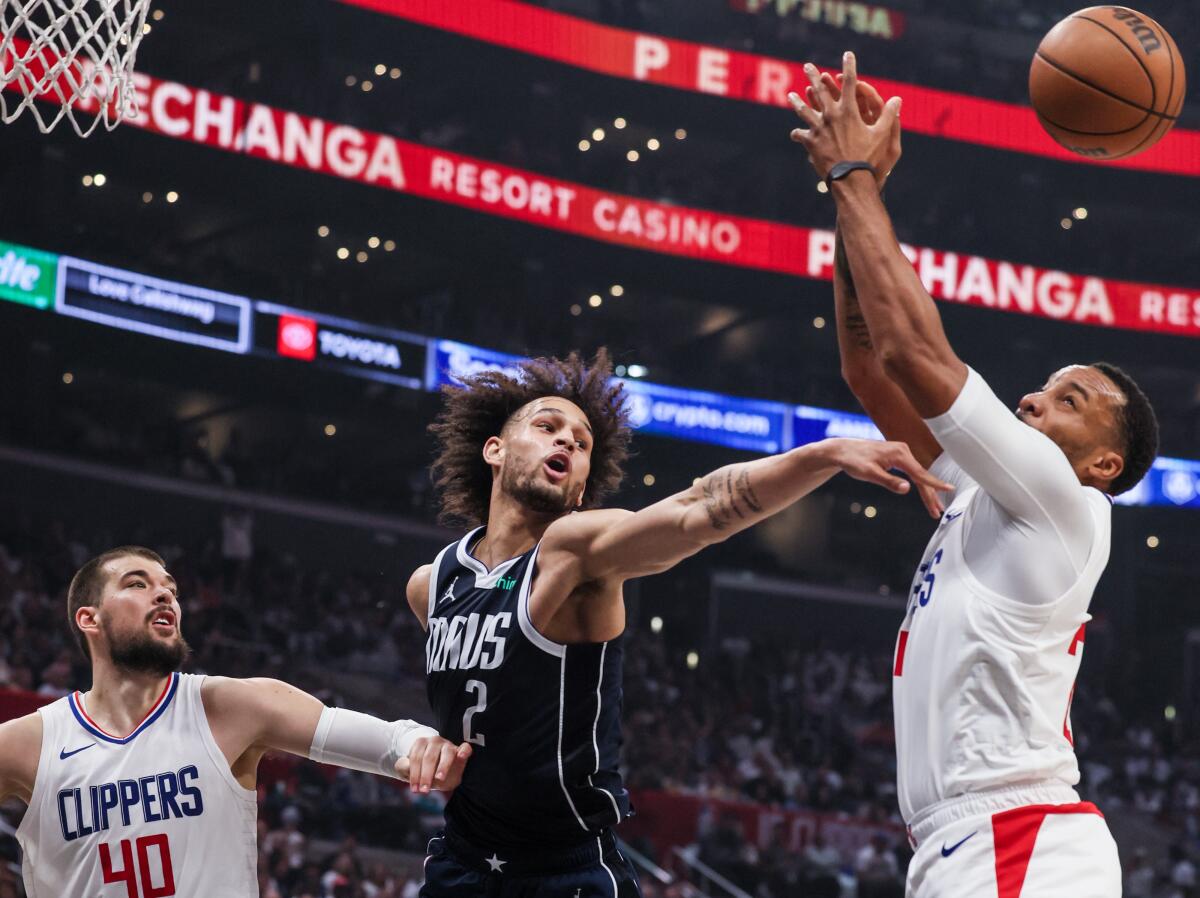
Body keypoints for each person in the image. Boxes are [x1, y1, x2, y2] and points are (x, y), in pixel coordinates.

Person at [788, 52, 1159, 898]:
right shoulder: (990, 493)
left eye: (1070, 399)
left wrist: (854, 175)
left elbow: (915, 354)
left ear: (1104, 461)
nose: (1036, 396)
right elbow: (870, 368)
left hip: (1017, 841)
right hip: (969, 844)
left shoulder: (1067, 502)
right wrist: (855, 200)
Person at [407, 350, 949, 896]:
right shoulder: (430, 585)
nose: (568, 441)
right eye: (548, 427)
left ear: (581, 490)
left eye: (582, 442)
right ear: (494, 450)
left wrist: (823, 455)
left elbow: (698, 509)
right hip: (461, 861)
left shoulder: (576, 553)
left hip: (562, 871)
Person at [0, 546, 472, 896]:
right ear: (89, 618)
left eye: (170, 587)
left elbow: (393, 741)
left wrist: (422, 746)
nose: (164, 594)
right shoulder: (29, 742)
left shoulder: (232, 706)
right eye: (137, 584)